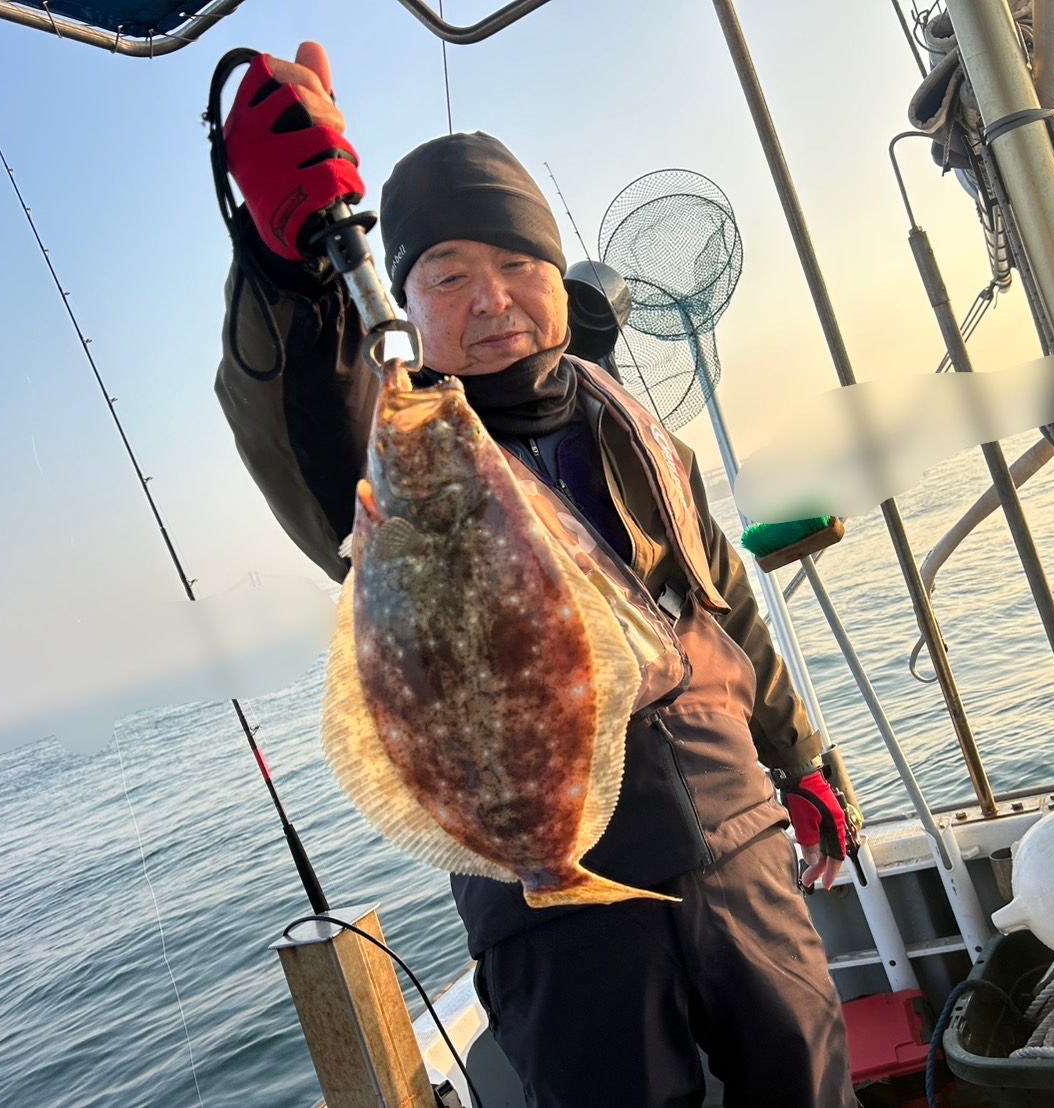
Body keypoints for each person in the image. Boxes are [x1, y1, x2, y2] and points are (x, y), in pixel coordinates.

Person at [214, 41, 861, 1108]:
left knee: (811, 1084)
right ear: (405, 306)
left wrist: (800, 759)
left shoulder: (635, 425)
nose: (493, 299)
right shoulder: (394, 457)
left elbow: (726, 606)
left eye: (519, 265)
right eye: (448, 277)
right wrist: (285, 275)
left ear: (558, 278)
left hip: (734, 831)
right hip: (549, 904)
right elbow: (298, 413)